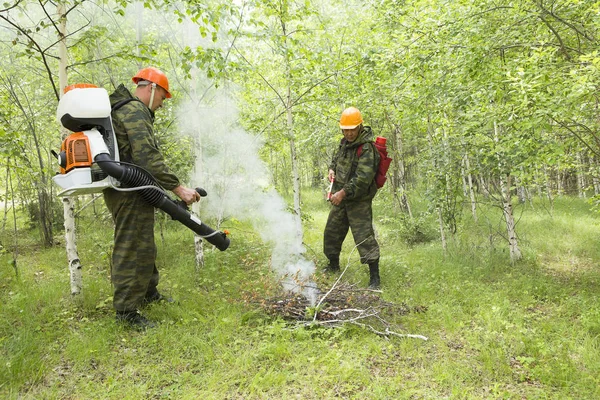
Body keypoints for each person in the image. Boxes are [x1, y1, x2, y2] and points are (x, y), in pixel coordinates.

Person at [104, 67, 200, 329]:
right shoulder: (135, 110)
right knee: (132, 246)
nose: (161, 105)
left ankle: (148, 293)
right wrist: (178, 188)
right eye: (162, 98)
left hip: (132, 188)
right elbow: (147, 156)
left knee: (144, 243)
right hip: (128, 190)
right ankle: (126, 312)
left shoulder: (124, 108)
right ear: (152, 88)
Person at [323, 107, 381, 289]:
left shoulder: (366, 149)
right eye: (345, 129)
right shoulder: (344, 144)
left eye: (352, 129)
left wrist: (343, 193)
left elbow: (363, 179)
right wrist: (331, 169)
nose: (348, 133)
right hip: (340, 199)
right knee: (332, 232)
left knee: (364, 237)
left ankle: (375, 278)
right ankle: (333, 265)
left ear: (360, 127)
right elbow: (336, 160)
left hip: (358, 201)